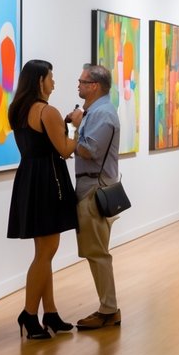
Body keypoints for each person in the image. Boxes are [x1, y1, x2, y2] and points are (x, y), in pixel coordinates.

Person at [5, 59, 79, 340]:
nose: (54, 82)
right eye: (51, 77)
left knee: (43, 252)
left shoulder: (18, 110)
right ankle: (28, 313)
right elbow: (65, 149)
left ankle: (50, 313)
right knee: (46, 252)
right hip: (49, 181)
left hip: (28, 179)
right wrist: (77, 128)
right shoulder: (47, 111)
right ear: (40, 81)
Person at [70, 63, 123, 330]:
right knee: (95, 251)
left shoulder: (102, 114)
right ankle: (108, 307)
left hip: (94, 190)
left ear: (94, 86)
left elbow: (89, 150)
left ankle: (108, 309)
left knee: (98, 253)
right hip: (93, 187)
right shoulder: (97, 111)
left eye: (81, 81)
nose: (77, 85)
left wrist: (76, 128)